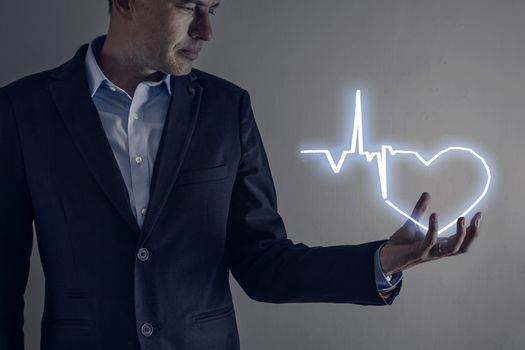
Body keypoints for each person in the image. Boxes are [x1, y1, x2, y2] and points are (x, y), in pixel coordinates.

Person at [0, 1, 482, 349]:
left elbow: (262, 263)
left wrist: (379, 263)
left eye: (213, 8)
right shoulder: (24, 110)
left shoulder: (227, 109)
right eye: (189, 6)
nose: (206, 30)